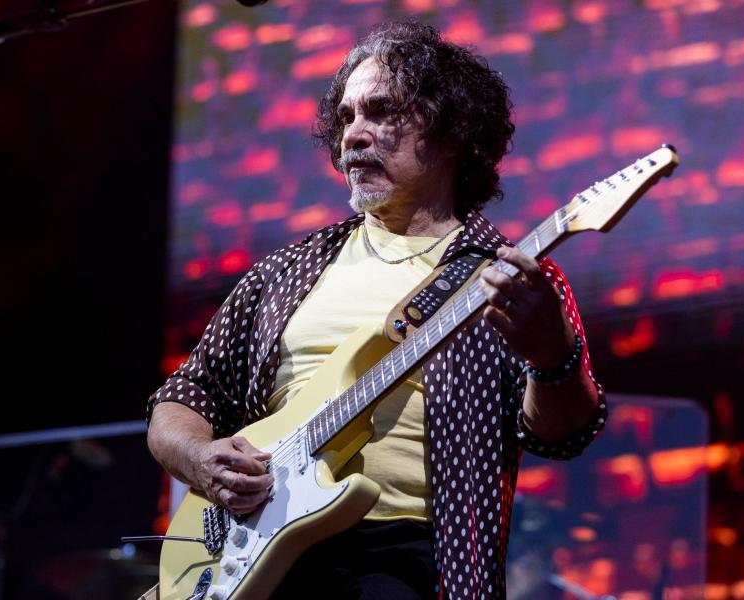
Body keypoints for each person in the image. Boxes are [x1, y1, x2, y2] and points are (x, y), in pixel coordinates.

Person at [146, 21, 606, 599]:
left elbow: (565, 436)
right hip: (255, 549)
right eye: (346, 117)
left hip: (409, 557)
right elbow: (181, 400)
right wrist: (200, 459)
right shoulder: (286, 271)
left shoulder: (509, 280)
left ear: (452, 132)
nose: (353, 136)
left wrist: (551, 356)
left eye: (381, 112)